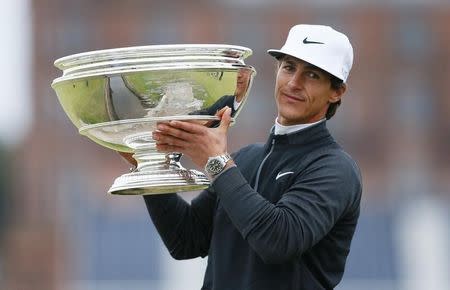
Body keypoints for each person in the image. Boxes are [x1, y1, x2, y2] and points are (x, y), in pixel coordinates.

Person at [143, 24, 362, 290]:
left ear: (336, 92)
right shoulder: (246, 159)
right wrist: (148, 163)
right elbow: (185, 239)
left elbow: (278, 241)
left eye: (312, 75)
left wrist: (216, 163)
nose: (294, 83)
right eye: (289, 67)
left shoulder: (335, 168)